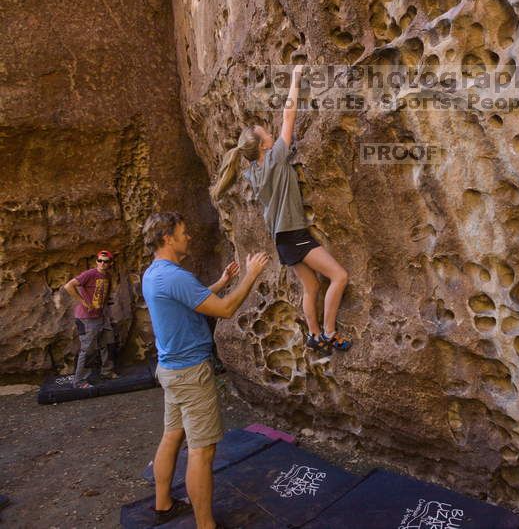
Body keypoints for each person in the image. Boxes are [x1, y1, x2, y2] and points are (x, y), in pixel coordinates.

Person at [211, 63, 352, 353]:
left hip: (283, 240)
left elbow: (257, 147)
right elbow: (289, 115)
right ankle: (328, 332)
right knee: (339, 276)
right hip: (295, 234)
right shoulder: (275, 158)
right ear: (264, 147)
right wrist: (296, 78)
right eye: (266, 134)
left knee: (311, 287)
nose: (271, 133)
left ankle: (313, 335)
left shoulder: (252, 171)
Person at [141, 211, 267, 529]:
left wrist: (223, 282)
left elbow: (190, 299)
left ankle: (163, 504)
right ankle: (205, 525)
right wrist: (250, 275)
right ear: (167, 237)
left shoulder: (155, 273)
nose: (189, 237)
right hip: (190, 373)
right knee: (202, 450)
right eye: (183, 232)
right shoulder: (175, 276)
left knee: (172, 435)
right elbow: (224, 310)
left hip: (170, 370)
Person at [63, 250, 118, 388]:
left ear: (110, 263)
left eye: (105, 261)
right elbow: (69, 286)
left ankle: (106, 371)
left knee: (106, 344)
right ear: (96, 262)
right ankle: (79, 381)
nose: (102, 263)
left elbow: (104, 296)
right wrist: (83, 301)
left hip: (101, 316)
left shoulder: (107, 276)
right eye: (100, 260)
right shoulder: (90, 274)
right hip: (86, 318)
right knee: (86, 350)